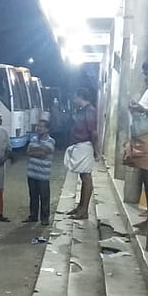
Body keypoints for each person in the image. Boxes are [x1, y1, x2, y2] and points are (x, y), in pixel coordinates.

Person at [123, 57, 148, 205]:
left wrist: (142, 109)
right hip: (141, 138)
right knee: (145, 177)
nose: (146, 77)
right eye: (145, 74)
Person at [64, 88, 99, 220]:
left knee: (86, 177)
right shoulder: (82, 110)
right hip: (79, 146)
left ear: (80, 96)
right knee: (82, 176)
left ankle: (84, 210)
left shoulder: (89, 110)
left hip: (85, 145)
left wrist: (96, 150)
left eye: (75, 97)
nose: (73, 100)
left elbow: (93, 133)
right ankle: (80, 206)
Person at [24, 119, 55, 226]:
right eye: (38, 126)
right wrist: (38, 150)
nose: (39, 128)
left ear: (47, 129)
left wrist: (35, 151)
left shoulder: (51, 141)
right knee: (33, 196)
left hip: (43, 175)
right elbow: (28, 152)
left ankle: (45, 218)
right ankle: (33, 216)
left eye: (41, 126)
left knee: (44, 197)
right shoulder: (33, 138)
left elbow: (43, 153)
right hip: (31, 174)